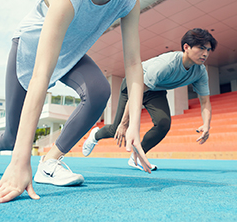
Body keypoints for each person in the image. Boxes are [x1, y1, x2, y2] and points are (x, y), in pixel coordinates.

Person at [0, 0, 152, 204]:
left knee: (98, 92)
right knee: (11, 138)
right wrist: (20, 163)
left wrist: (134, 127)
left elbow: (133, 64)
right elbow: (40, 75)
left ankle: (51, 162)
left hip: (70, 55)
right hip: (30, 55)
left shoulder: (129, 0)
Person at [83, 28, 218, 170]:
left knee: (163, 123)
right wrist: (124, 124)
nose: (205, 54)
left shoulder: (200, 72)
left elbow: (205, 102)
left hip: (155, 90)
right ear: (186, 47)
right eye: (201, 48)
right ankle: (95, 135)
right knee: (117, 128)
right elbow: (137, 93)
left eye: (208, 50)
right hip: (134, 84)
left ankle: (137, 157)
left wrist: (206, 125)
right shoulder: (166, 64)